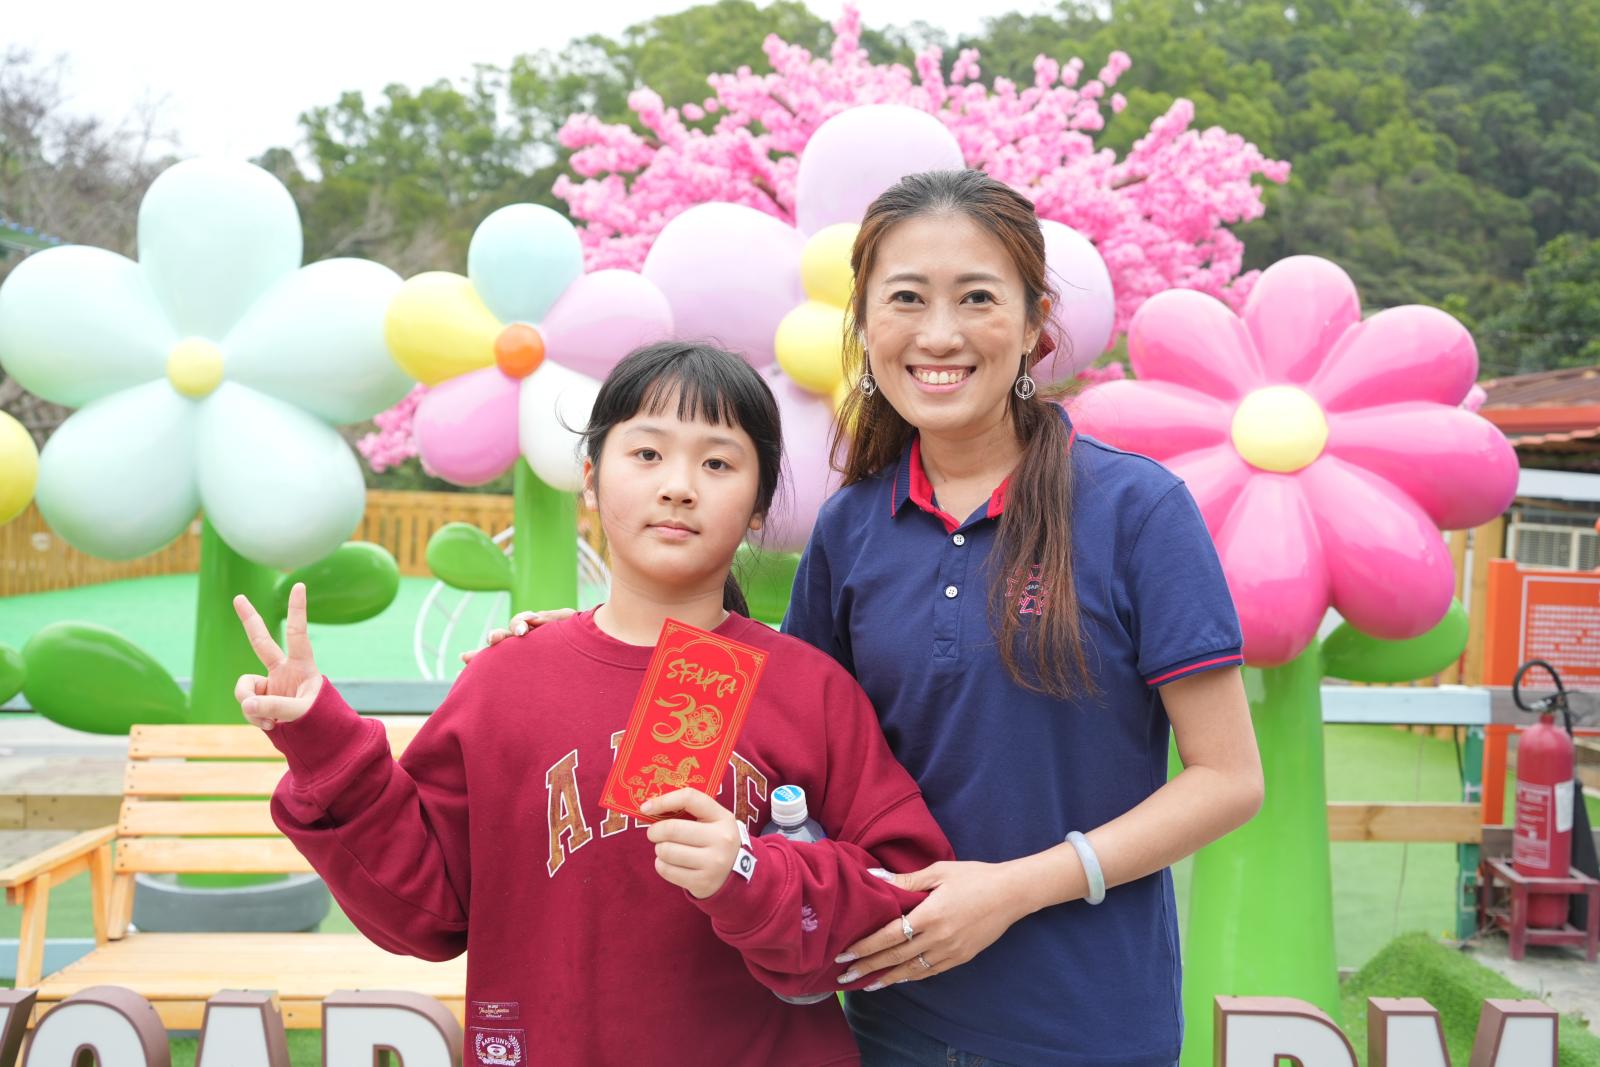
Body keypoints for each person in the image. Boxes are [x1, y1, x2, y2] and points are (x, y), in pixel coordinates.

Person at [486, 170, 1263, 1067]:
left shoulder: (1137, 510)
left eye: (977, 297)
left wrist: (1014, 888)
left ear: (1035, 322)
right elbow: (785, 730)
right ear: (862, 321)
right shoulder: (851, 527)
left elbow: (1228, 779)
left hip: (1088, 1027)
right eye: (906, 298)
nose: (939, 334)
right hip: (887, 1023)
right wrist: (593, 644)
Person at [232, 342, 955, 1067]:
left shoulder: (810, 690)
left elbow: (906, 892)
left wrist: (752, 873)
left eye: (717, 463)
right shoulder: (507, 680)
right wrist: (322, 739)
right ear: (589, 477)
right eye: (647, 454)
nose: (679, 487)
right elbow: (425, 909)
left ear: (761, 504)